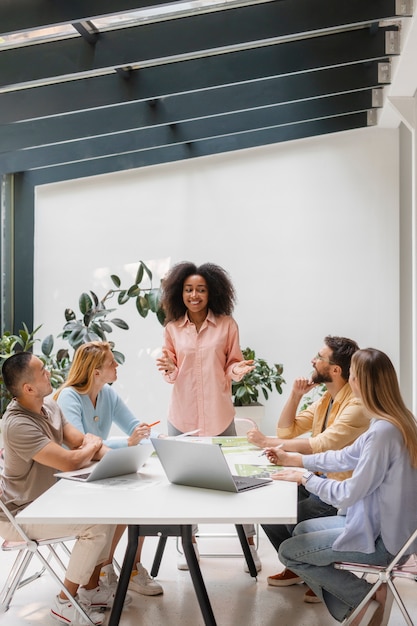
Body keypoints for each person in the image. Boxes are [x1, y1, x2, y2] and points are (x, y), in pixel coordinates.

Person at [266, 348, 417, 625]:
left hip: (386, 542)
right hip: (384, 527)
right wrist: (296, 459)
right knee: (301, 530)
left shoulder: (383, 433)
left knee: (289, 552)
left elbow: (350, 492)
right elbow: (343, 456)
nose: (351, 382)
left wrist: (305, 478)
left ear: (363, 383)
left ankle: (364, 598)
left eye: (354, 377)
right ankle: (360, 601)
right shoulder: (393, 421)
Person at [0, 352, 129, 626]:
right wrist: (92, 446)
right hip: (22, 514)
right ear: (28, 388)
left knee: (112, 509)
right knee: (94, 526)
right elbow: (71, 460)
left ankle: (92, 591)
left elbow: (80, 441)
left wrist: (121, 461)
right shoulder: (17, 424)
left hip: (50, 502)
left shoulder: (50, 406)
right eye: (42, 371)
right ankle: (64, 602)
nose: (49, 373)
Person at [247, 336, 369, 602]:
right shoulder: (327, 398)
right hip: (315, 480)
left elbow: (322, 444)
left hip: (338, 492)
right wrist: (295, 395)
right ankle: (299, 566)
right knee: (269, 506)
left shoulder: (356, 405)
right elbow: (287, 429)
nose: (313, 361)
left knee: (296, 513)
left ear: (335, 370)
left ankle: (318, 572)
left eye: (319, 357)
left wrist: (269, 443)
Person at [155, 261, 258, 570]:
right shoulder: (172, 329)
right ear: (180, 293)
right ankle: (188, 543)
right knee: (185, 484)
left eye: (200, 289)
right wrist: (169, 369)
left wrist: (238, 369)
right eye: (188, 290)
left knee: (237, 480)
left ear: (211, 292)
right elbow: (171, 368)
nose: (194, 295)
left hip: (219, 416)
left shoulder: (227, 325)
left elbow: (232, 363)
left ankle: (249, 543)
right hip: (182, 416)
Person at [54, 341, 163, 596]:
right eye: (111, 362)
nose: (117, 365)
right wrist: (125, 443)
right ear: (95, 372)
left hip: (99, 466)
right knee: (122, 503)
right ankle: (108, 568)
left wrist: (161, 439)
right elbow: (80, 442)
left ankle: (129, 569)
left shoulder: (107, 393)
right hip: (73, 475)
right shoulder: (69, 396)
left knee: (136, 499)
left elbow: (135, 428)